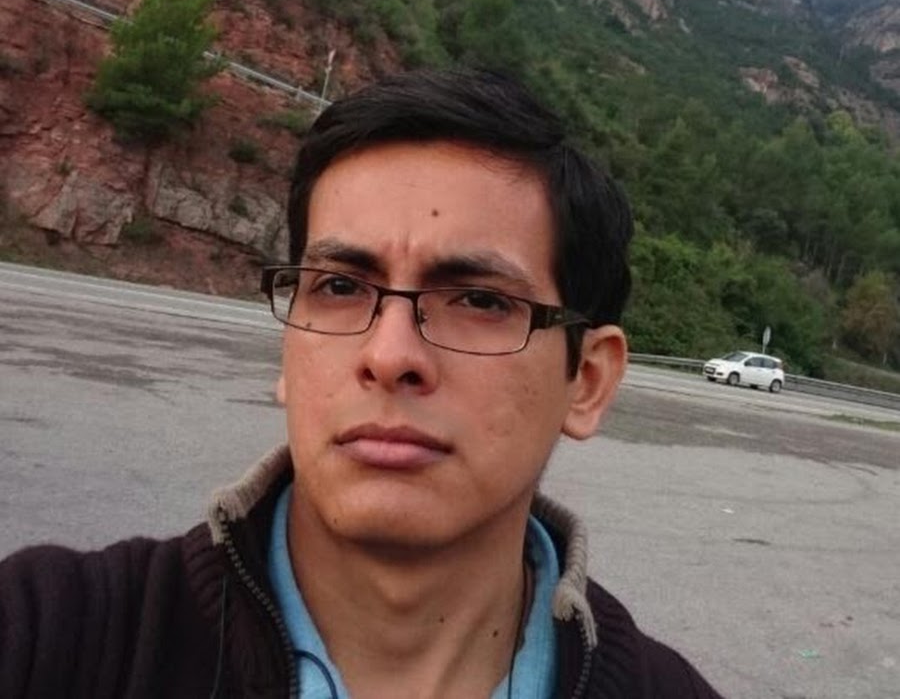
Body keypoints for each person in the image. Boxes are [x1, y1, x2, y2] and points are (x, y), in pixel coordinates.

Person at [0, 69, 724, 698]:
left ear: (587, 381)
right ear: (288, 350)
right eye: (340, 287)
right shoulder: (55, 637)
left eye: (479, 300)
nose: (389, 354)